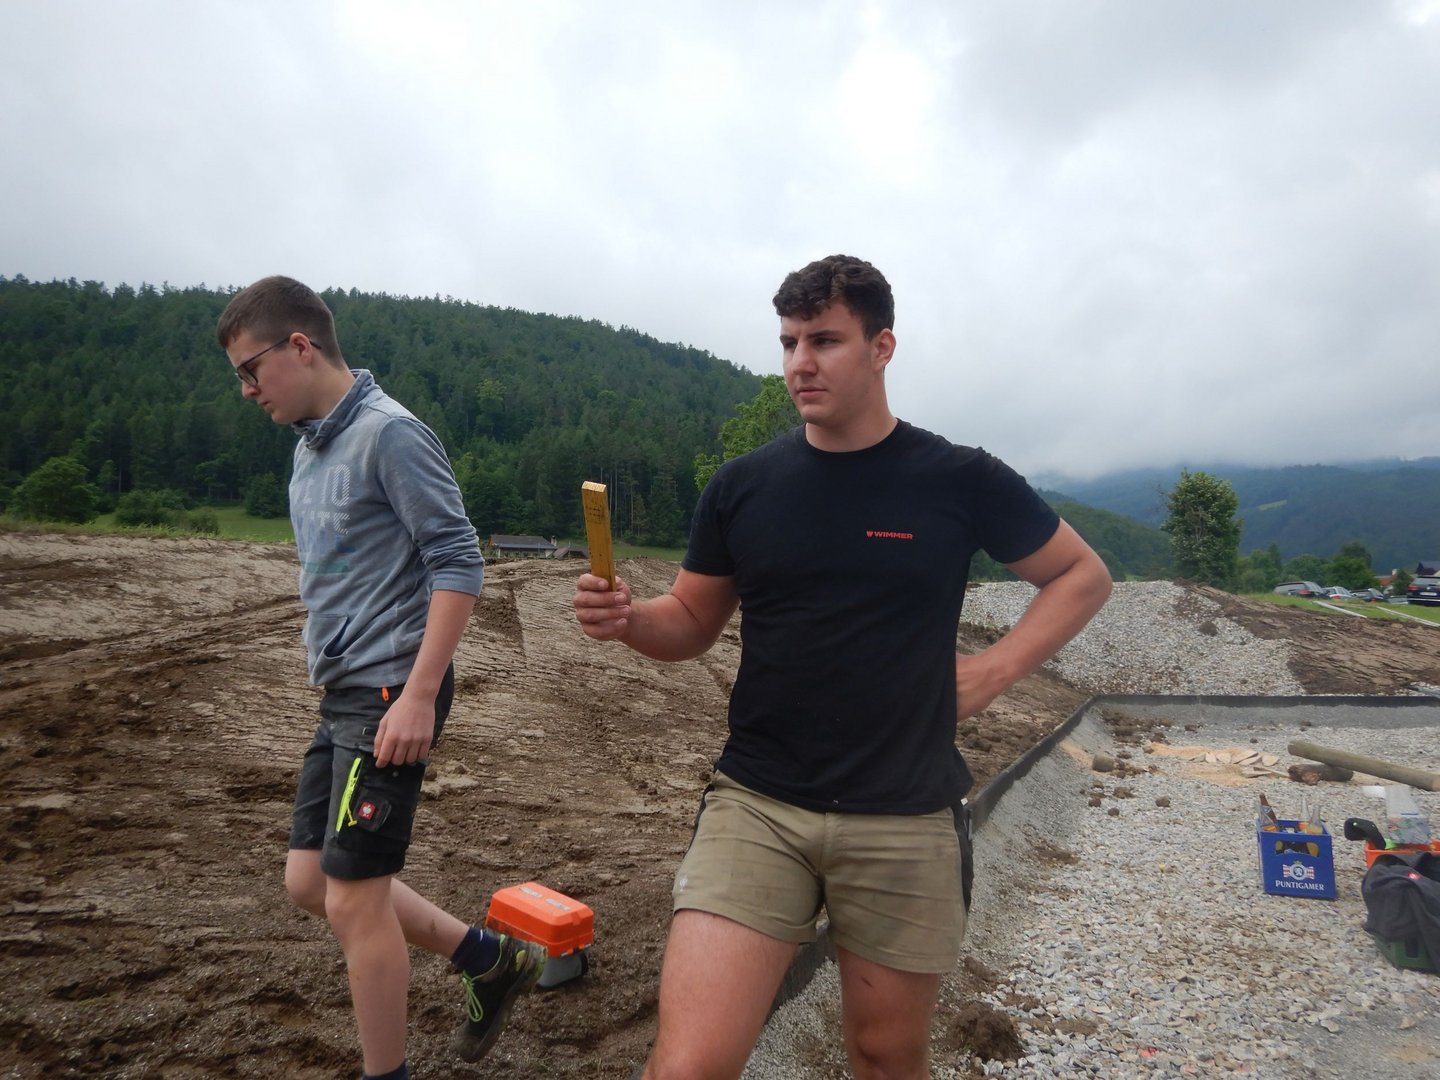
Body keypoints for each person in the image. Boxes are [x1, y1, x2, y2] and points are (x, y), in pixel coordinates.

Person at [573, 254, 1112, 1080]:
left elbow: (1081, 575)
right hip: (759, 803)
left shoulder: (959, 479)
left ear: (881, 346)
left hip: (906, 814)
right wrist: (630, 619)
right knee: (688, 1065)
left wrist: (991, 672)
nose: (800, 362)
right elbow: (689, 622)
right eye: (789, 342)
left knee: (884, 1055)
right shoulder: (744, 487)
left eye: (823, 340)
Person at [217, 276, 543, 1080]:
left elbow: (459, 562)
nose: (248, 390)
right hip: (345, 693)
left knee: (354, 898)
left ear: (300, 346)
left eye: (252, 370)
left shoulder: (389, 435)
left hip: (394, 690)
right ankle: (490, 959)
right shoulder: (309, 447)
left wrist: (421, 694)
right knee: (309, 881)